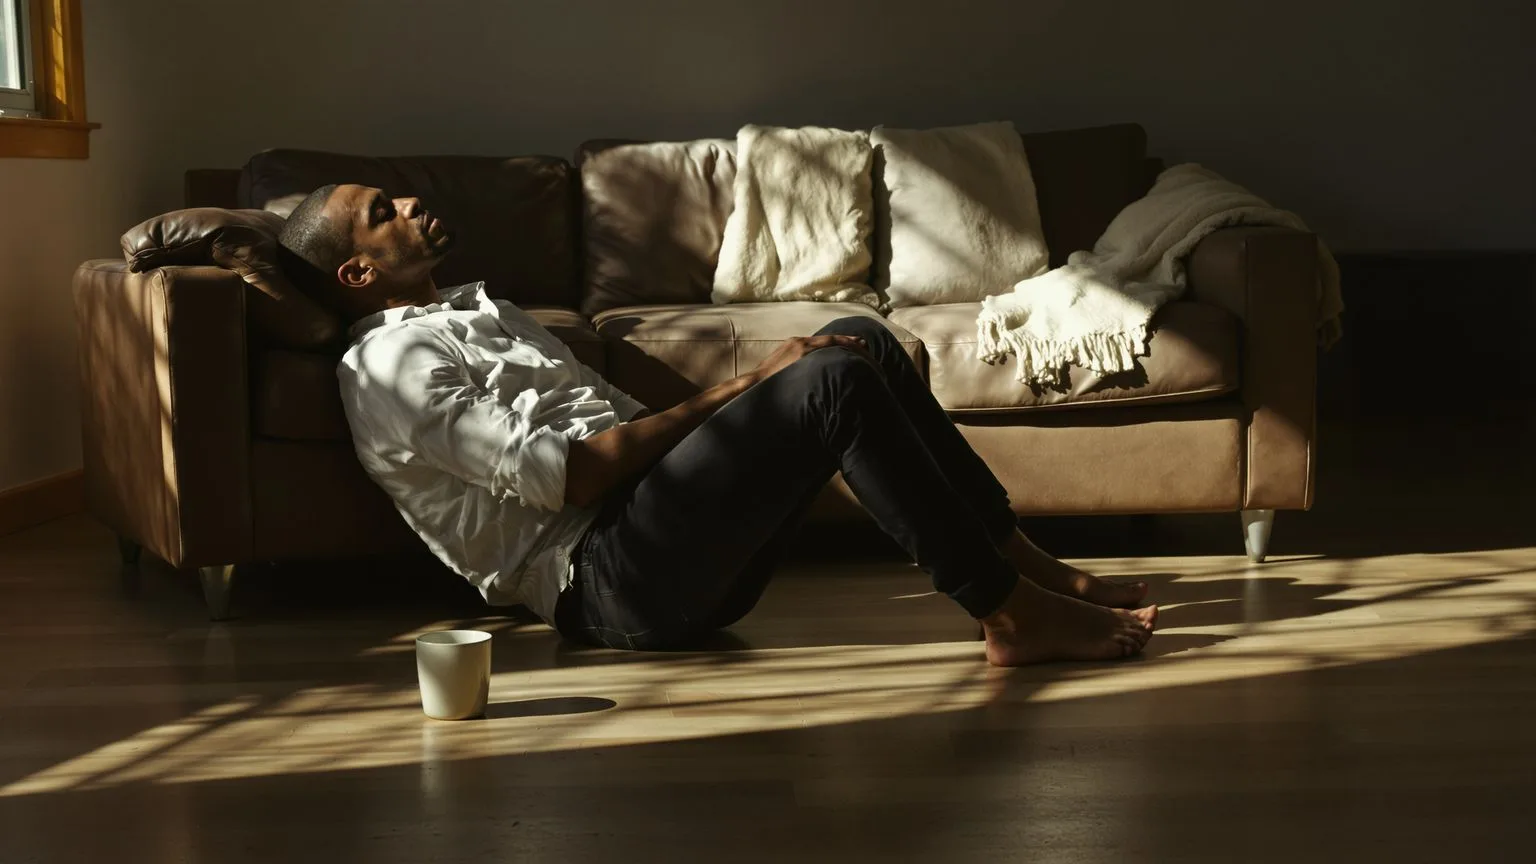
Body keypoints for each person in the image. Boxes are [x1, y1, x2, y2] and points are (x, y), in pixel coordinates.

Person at [278, 183, 1157, 666]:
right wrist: (753, 384)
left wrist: (750, 405)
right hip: (610, 582)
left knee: (856, 338)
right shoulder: (390, 367)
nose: (409, 203)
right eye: (382, 213)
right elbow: (574, 477)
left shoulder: (484, 312)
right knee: (828, 380)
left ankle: (1024, 565)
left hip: (656, 531)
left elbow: (624, 432)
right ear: (358, 274)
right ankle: (1007, 615)